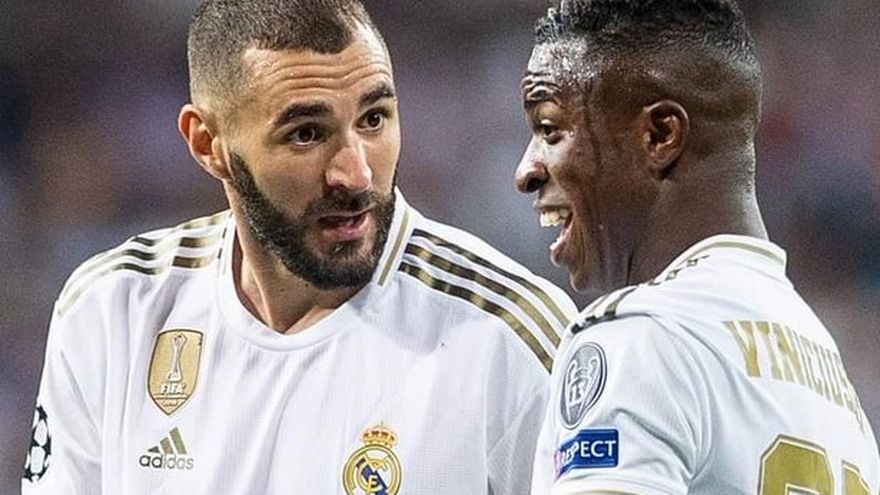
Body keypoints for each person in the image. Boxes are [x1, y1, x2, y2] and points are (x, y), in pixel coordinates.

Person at [21, 1, 578, 493]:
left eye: (374, 119)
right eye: (306, 134)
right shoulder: (114, 311)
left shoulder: (512, 338)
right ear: (208, 144)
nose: (356, 174)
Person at [514, 0, 880, 493]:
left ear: (660, 134)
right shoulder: (831, 378)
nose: (526, 171)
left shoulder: (643, 337)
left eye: (550, 130)